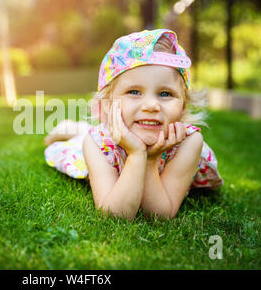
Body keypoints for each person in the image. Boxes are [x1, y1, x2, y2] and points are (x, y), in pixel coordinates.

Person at [44, 29, 224, 221]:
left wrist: (148, 160)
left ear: (183, 106)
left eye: (165, 94)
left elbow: (159, 214)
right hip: (110, 139)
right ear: (108, 103)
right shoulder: (97, 143)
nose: (151, 105)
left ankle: (75, 127)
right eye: (134, 92)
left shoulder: (189, 143)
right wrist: (137, 154)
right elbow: (114, 215)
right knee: (79, 139)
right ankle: (70, 129)